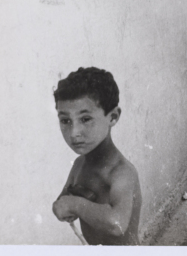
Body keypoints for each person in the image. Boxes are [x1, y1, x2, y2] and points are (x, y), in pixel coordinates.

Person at [52, 67, 142, 245]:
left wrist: (75, 205)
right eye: (65, 120)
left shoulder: (122, 172)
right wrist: (59, 207)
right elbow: (63, 200)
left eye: (85, 119)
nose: (74, 132)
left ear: (113, 117)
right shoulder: (79, 165)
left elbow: (117, 224)